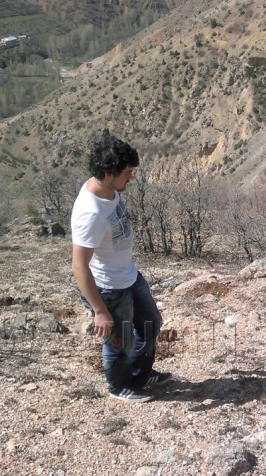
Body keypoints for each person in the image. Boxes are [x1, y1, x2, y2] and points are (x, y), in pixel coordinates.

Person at [71, 130, 171, 402]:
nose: (131, 177)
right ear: (107, 173)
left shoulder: (107, 190)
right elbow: (79, 266)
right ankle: (119, 386)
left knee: (151, 325)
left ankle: (139, 375)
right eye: (127, 172)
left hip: (128, 275)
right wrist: (100, 310)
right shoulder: (90, 213)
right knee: (120, 341)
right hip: (109, 288)